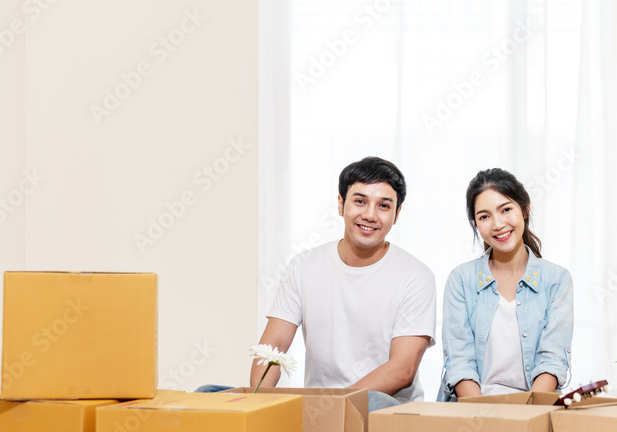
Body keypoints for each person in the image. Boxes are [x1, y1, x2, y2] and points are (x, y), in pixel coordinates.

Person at [198, 156, 436, 412]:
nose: (370, 215)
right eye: (360, 201)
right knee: (206, 395)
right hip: (318, 407)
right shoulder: (304, 265)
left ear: (397, 214)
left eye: (383, 206)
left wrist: (334, 407)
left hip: (380, 408)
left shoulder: (415, 276)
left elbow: (403, 370)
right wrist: (259, 404)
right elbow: (272, 347)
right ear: (340, 204)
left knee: (370, 400)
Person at [438, 168, 573, 401]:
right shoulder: (461, 280)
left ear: (525, 208)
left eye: (506, 209)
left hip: (533, 409)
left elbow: (552, 361)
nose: (498, 224)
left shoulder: (557, 279)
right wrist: (485, 422)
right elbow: (460, 363)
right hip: (472, 411)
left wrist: (523, 419)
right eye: (484, 216)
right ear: (476, 224)